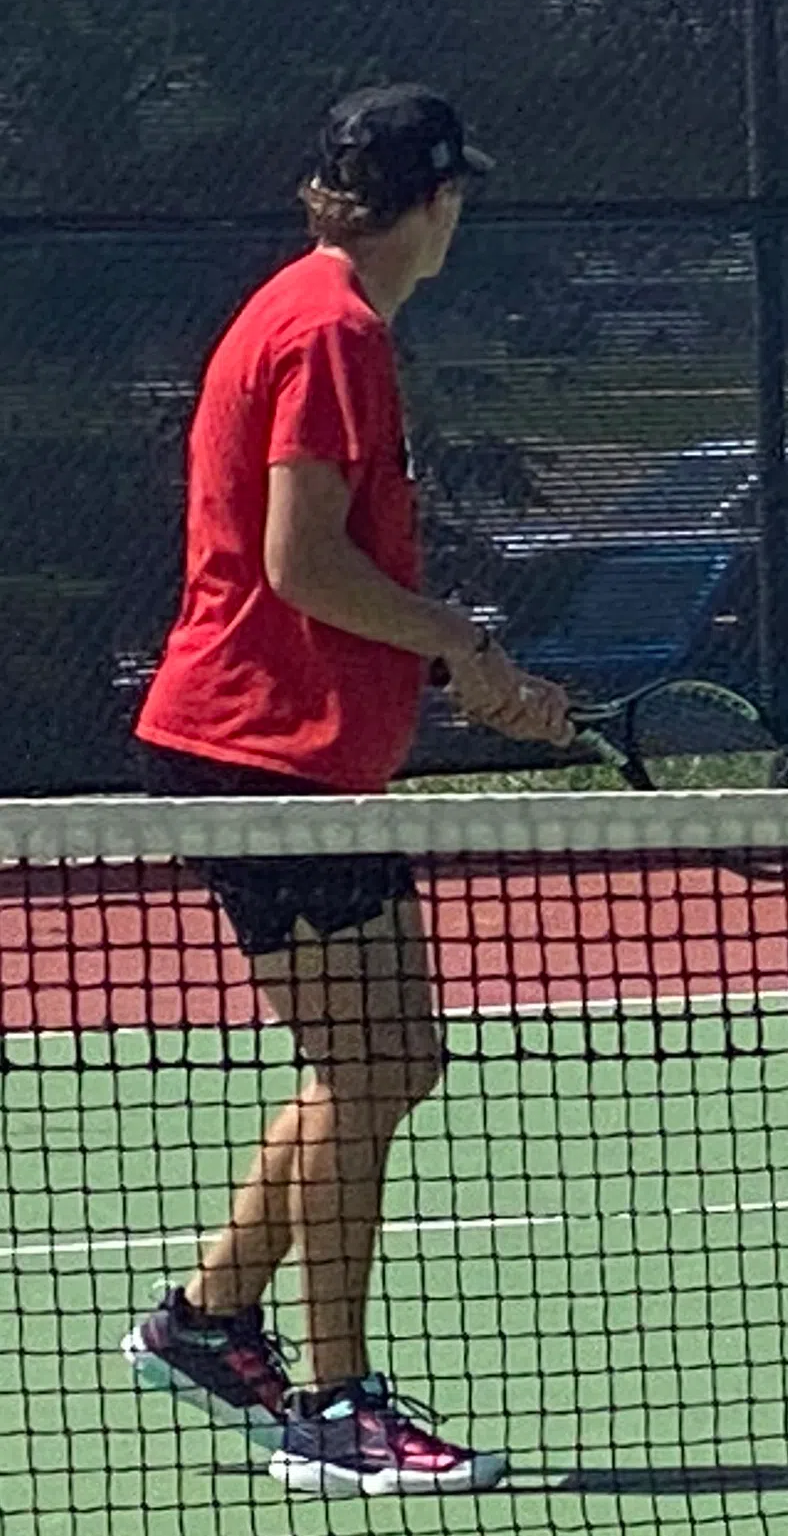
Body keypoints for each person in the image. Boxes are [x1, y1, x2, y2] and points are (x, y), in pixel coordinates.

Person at [120, 85, 577, 1497]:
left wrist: (460, 671)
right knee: (376, 1066)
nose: (462, 220)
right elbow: (300, 563)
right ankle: (333, 1408)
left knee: (386, 1062)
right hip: (264, 750)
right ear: (431, 203)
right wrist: (464, 641)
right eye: (459, 196)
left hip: (295, 746)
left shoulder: (313, 314)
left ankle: (206, 1319)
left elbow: (328, 581)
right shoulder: (329, 332)